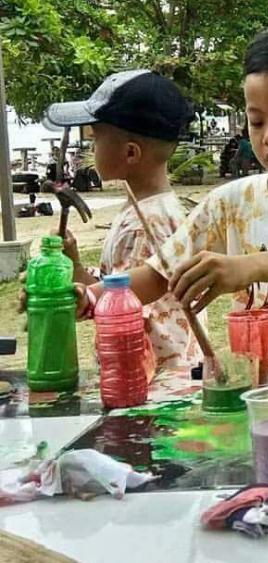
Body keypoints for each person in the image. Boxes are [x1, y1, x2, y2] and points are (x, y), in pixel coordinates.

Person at [74, 27, 268, 364]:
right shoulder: (230, 202)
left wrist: (248, 267)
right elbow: (158, 274)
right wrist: (89, 296)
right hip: (261, 393)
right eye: (256, 122)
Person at [42, 71, 204, 373]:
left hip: (152, 381)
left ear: (130, 153)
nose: (92, 147)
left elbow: (123, 309)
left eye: (97, 137)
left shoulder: (145, 225)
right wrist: (76, 267)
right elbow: (118, 282)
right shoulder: (150, 209)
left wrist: (60, 301)